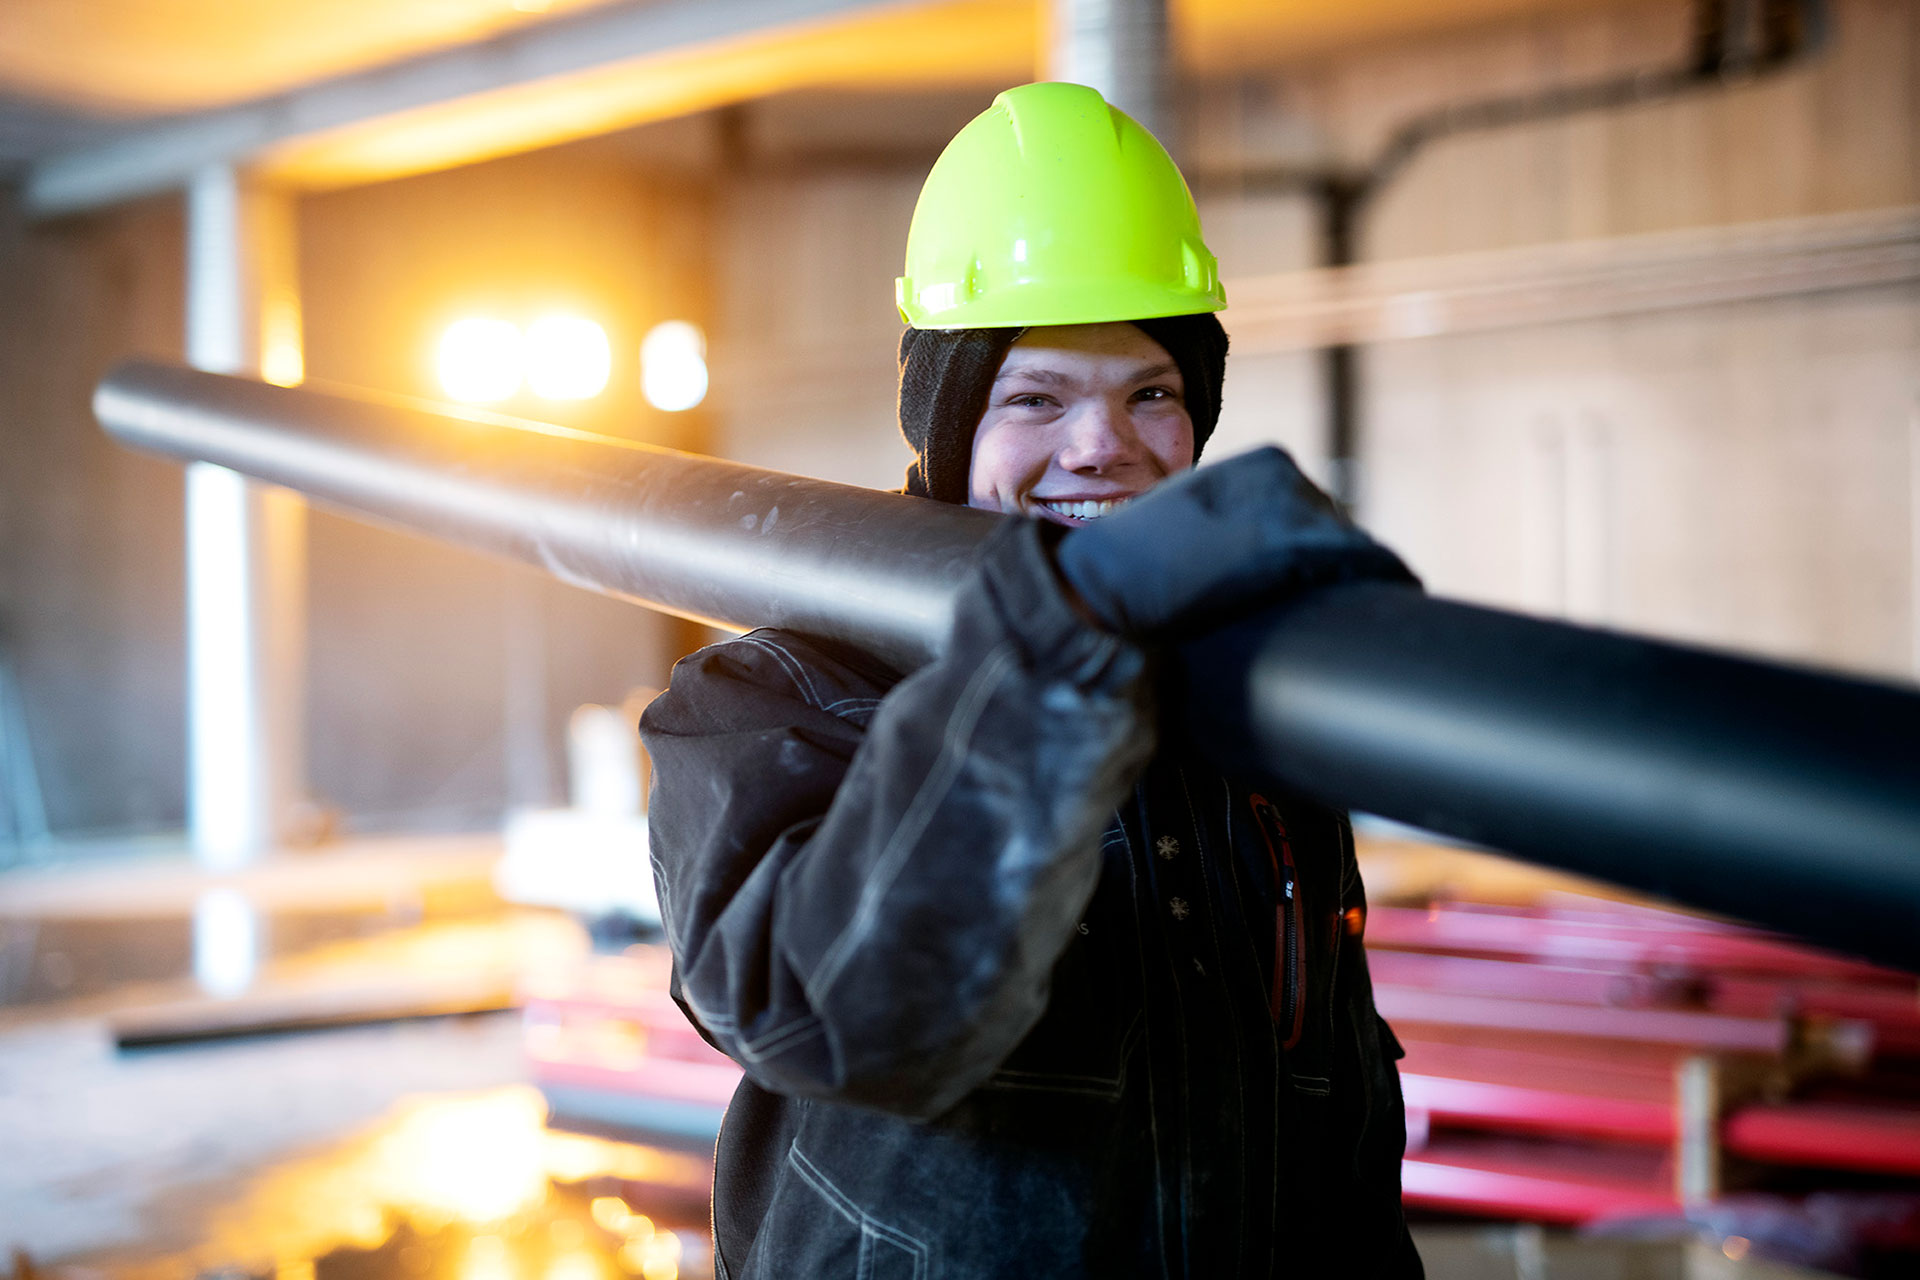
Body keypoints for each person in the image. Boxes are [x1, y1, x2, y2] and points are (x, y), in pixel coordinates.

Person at [641, 82, 1424, 1278]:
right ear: (947, 422)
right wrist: (1057, 657)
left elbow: (1343, 1131)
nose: (1101, 446)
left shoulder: (1239, 719)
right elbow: (829, 1018)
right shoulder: (770, 702)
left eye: (1149, 391)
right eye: (1036, 398)